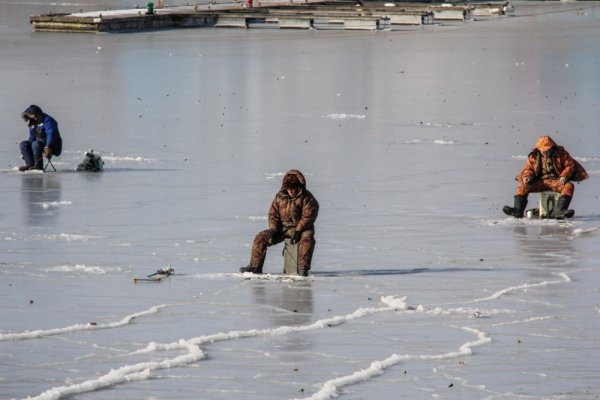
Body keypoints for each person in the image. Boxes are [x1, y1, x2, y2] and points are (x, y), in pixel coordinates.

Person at [240, 169, 319, 276]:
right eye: (288, 189)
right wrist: (274, 229)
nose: (290, 191)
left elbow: (308, 216)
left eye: (293, 189)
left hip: (302, 229)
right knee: (261, 237)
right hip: (283, 229)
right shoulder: (279, 197)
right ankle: (255, 267)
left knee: (307, 238)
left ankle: (302, 269)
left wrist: (298, 230)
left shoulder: (307, 198)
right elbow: (273, 214)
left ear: (298, 187)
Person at [503, 135, 588, 219]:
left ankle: (561, 211)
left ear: (552, 147)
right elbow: (528, 169)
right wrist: (527, 176)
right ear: (539, 149)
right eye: (543, 151)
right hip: (540, 181)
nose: (546, 152)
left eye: (548, 150)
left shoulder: (561, 154)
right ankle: (517, 211)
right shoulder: (534, 156)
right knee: (523, 186)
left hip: (557, 181)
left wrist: (564, 176)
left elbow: (570, 165)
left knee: (569, 186)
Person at [19, 105, 62, 171]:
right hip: (38, 144)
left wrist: (48, 146)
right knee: (23, 144)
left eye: (31, 115)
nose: (30, 117)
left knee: (35, 144)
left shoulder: (48, 120)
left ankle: (38, 166)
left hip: (53, 145)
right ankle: (29, 164)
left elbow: (51, 134)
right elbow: (32, 137)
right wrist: (25, 151)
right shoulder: (33, 122)